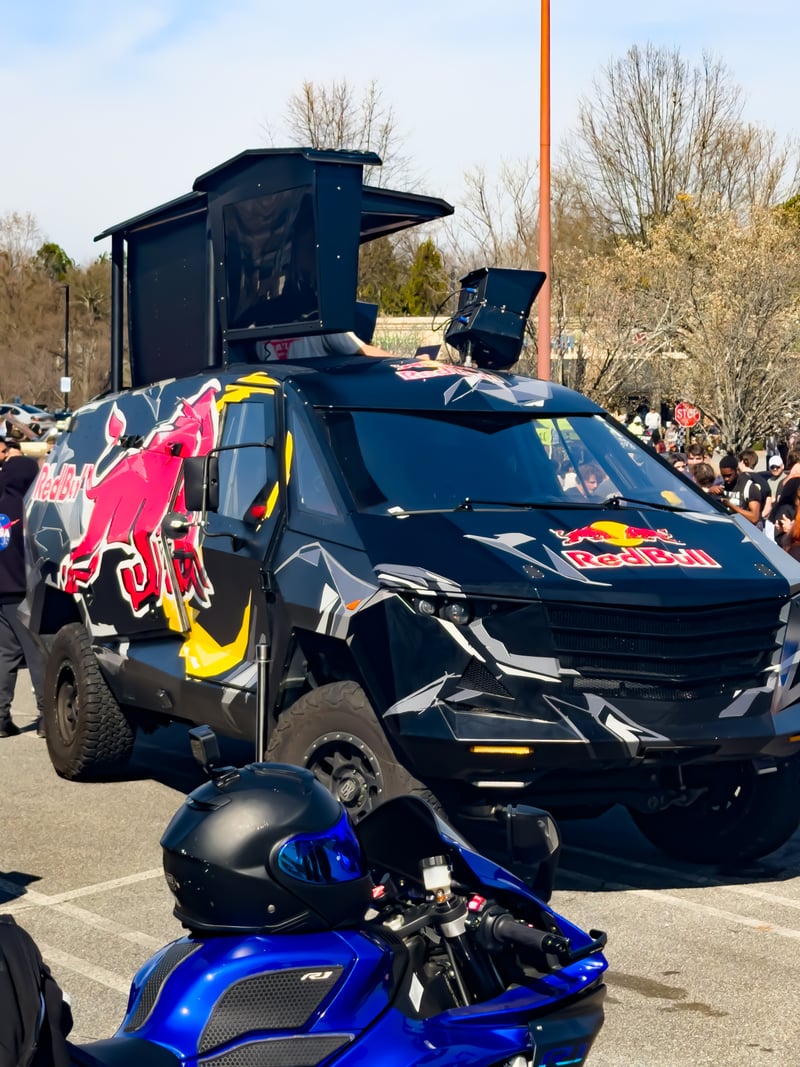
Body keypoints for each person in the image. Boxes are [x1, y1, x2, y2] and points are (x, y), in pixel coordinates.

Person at [0, 455, 46, 738]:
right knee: (38, 653)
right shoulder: (31, 509)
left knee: (4, 656)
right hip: (23, 592)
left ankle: (1, 718)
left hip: (1, 594)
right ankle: (46, 718)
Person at [707, 453, 762, 525]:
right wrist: (709, 492)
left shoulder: (749, 487)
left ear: (736, 470)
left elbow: (754, 517)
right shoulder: (720, 485)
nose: (726, 479)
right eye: (723, 476)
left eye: (729, 475)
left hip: (744, 529)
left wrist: (731, 505)